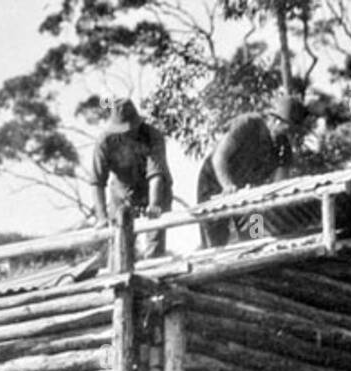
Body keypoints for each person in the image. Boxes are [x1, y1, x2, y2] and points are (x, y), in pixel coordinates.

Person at [196, 96, 310, 247]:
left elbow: (279, 186)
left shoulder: (283, 148)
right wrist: (227, 185)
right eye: (286, 128)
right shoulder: (248, 124)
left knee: (255, 236)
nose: (287, 134)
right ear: (276, 120)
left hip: (248, 194)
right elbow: (219, 157)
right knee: (215, 242)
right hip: (215, 183)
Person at [91, 98, 172, 259]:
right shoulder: (104, 142)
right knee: (119, 249)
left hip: (155, 191)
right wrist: (101, 217)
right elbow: (97, 182)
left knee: (154, 249)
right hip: (122, 194)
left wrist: (154, 204)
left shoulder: (152, 136)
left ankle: (154, 276)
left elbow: (156, 175)